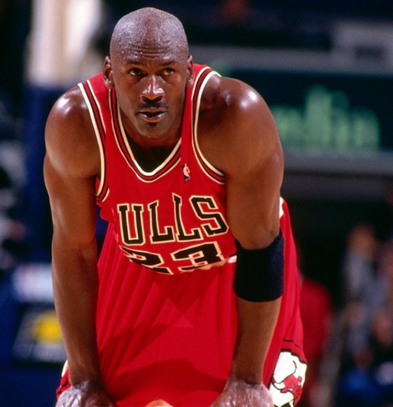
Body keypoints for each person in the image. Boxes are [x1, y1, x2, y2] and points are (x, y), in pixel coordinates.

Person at [44, 7, 305, 407]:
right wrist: (84, 379)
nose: (152, 90)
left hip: (233, 270)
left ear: (188, 70)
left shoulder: (234, 115)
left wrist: (247, 379)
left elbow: (260, 249)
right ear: (109, 73)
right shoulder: (76, 124)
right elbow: (73, 250)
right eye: (135, 73)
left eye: (167, 72)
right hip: (138, 266)